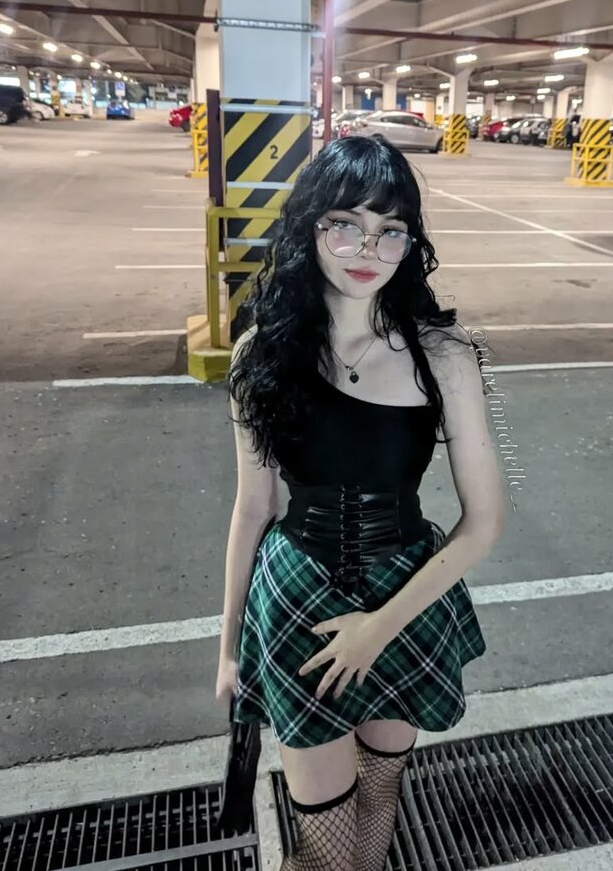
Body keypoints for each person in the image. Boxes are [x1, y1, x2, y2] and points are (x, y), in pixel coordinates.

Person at [217, 135, 507, 870]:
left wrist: (376, 630)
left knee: (381, 793)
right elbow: (254, 508)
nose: (367, 249)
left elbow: (483, 525)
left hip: (407, 596)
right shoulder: (261, 351)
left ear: (411, 242)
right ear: (309, 226)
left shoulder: (445, 354)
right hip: (297, 604)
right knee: (323, 844)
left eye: (390, 230)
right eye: (344, 224)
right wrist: (228, 650)